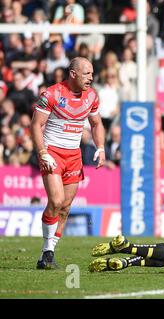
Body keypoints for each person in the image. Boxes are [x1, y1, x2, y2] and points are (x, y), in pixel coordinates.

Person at [31, 57, 105, 269]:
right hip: (52, 153)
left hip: (74, 156)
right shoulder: (52, 94)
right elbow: (36, 125)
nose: (91, 77)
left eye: (92, 73)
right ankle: (46, 249)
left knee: (65, 207)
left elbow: (97, 123)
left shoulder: (91, 96)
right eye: (86, 73)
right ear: (73, 74)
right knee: (56, 200)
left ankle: (49, 253)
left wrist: (100, 147)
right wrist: (42, 152)